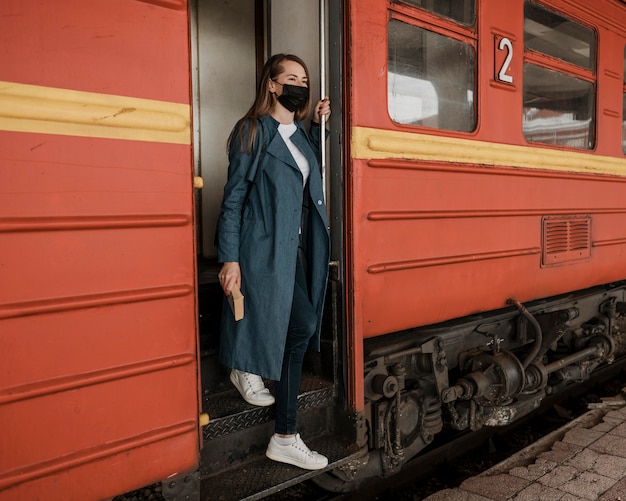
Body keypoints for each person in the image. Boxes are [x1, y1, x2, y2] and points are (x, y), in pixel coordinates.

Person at [216, 53, 331, 471]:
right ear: (271, 84)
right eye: (291, 78)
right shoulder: (252, 130)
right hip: (259, 246)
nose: (299, 84)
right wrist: (230, 258)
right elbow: (233, 200)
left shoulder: (298, 135)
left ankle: (284, 435)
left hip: (294, 248)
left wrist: (317, 127)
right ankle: (245, 369)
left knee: (299, 324)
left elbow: (302, 169)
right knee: (282, 320)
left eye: (304, 78)